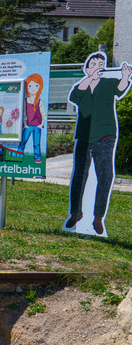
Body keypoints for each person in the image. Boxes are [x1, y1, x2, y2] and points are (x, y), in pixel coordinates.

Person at [65, 51, 132, 235]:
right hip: (84, 136)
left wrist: (125, 76)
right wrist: (89, 79)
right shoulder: (82, 86)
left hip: (105, 135)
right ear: (86, 69)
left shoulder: (108, 83)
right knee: (79, 175)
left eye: (100, 65)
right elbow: (73, 97)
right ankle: (76, 213)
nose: (97, 67)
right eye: (93, 64)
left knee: (105, 176)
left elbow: (120, 89)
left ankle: (98, 217)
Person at [17, 73, 44, 162]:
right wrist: (25, 124)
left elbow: (43, 114)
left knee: (37, 143)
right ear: (27, 87)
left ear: (39, 87)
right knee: (23, 141)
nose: (33, 88)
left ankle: (38, 157)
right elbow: (24, 113)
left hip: (37, 126)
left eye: (36, 85)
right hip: (28, 125)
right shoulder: (26, 100)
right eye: (30, 86)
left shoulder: (40, 101)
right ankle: (19, 155)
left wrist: (41, 124)